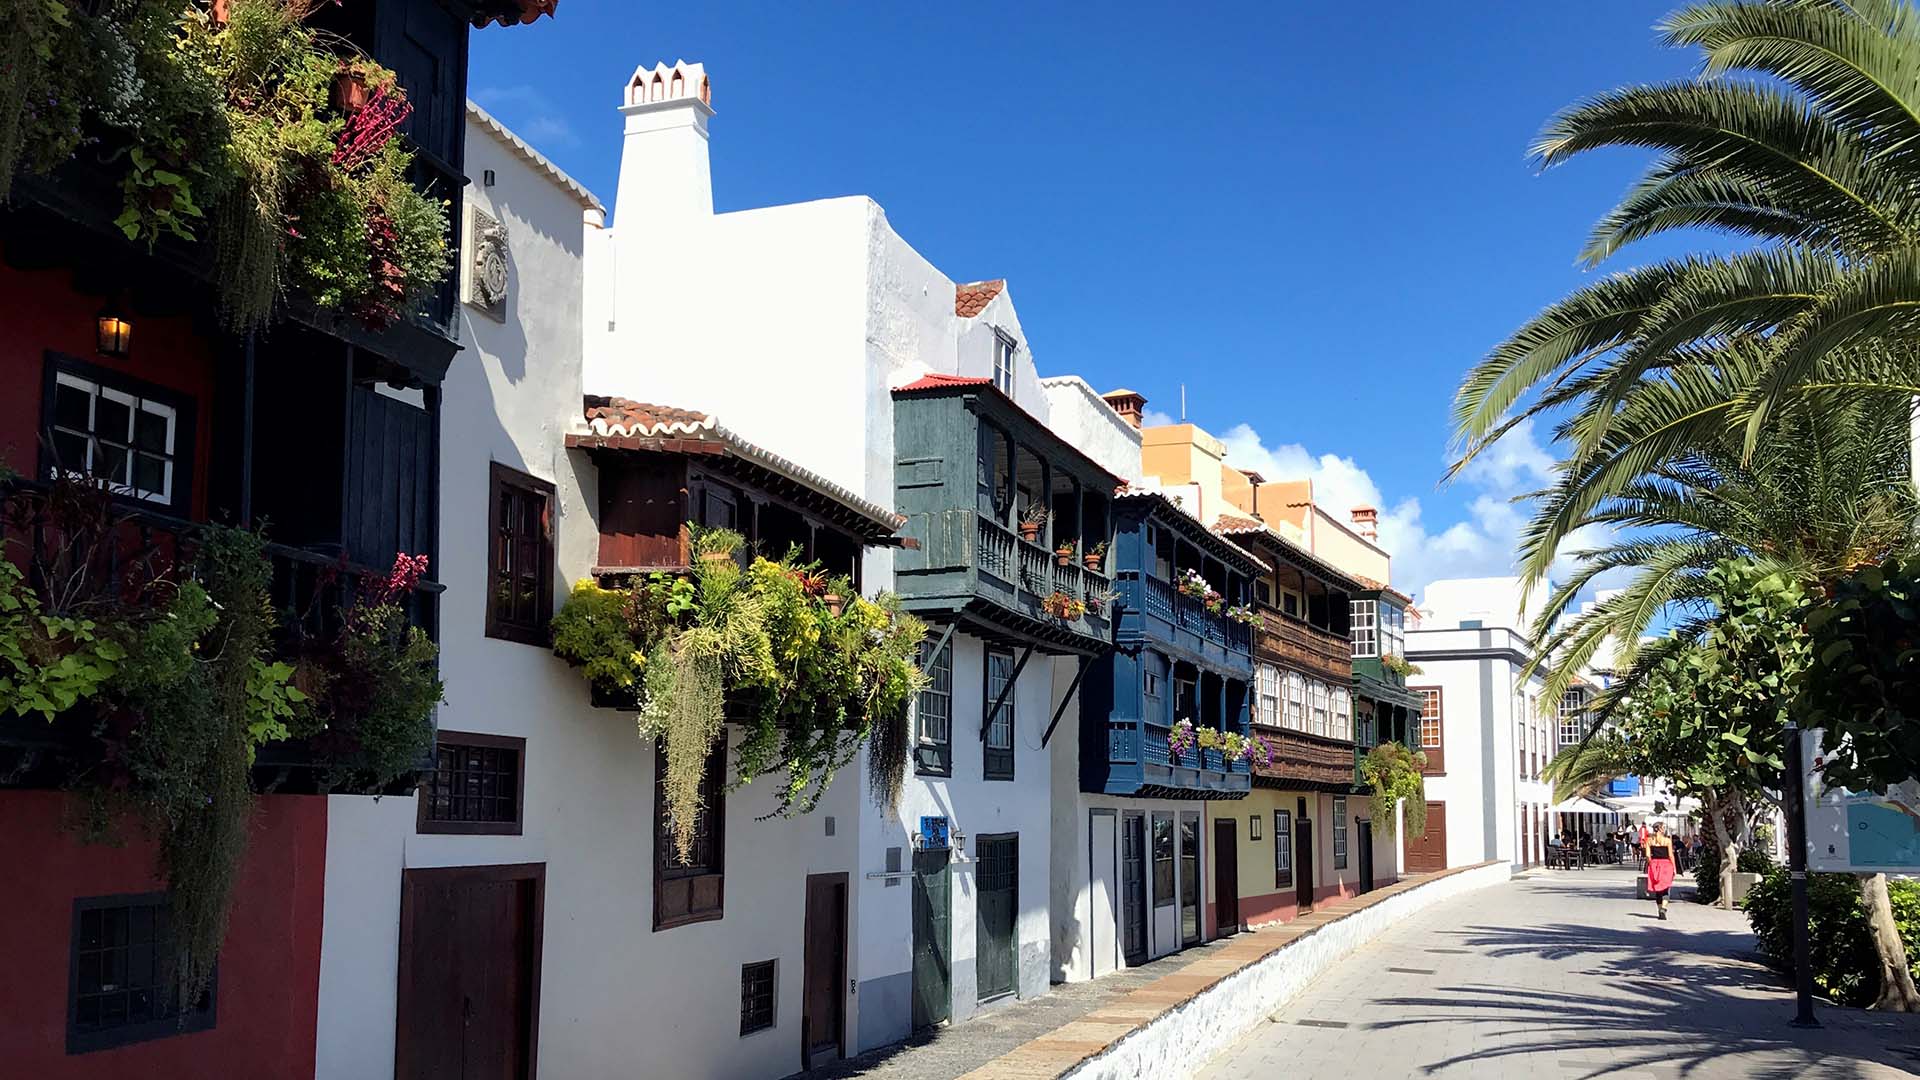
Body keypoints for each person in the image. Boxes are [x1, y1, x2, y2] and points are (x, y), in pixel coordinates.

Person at [1644, 821, 1678, 919]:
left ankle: (1659, 909)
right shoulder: (1667, 840)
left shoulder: (1649, 840)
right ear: (1660, 829)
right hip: (1666, 865)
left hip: (1655, 864)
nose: (1664, 829)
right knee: (1666, 888)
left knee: (1657, 889)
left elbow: (1647, 855)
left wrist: (1650, 863)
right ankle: (1663, 908)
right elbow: (1671, 855)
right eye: (1663, 827)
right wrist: (1674, 868)